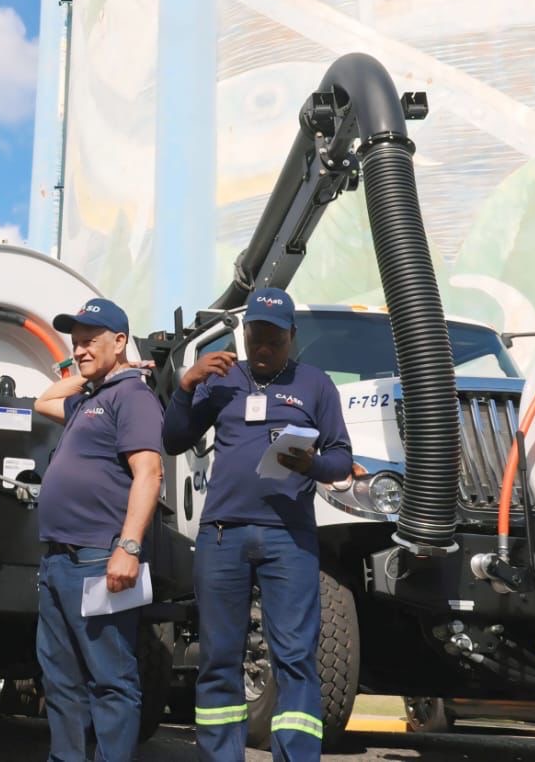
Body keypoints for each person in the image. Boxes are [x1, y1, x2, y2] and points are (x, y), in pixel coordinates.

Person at [161, 287, 353, 762]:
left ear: (292, 336)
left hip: (288, 540)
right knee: (219, 657)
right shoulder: (222, 379)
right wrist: (187, 386)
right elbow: (174, 439)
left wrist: (312, 464)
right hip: (222, 535)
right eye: (256, 337)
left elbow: (340, 458)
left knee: (295, 657)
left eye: (274, 339)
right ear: (244, 333)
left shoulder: (315, 385)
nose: (263, 348)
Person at [32, 297, 165, 762]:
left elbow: (149, 473)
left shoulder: (133, 398)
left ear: (120, 341)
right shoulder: (91, 399)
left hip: (97, 558)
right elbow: (43, 400)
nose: (80, 350)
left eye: (90, 341)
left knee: (111, 680)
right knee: (60, 681)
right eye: (76, 342)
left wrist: (128, 547)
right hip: (58, 561)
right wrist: (88, 373)